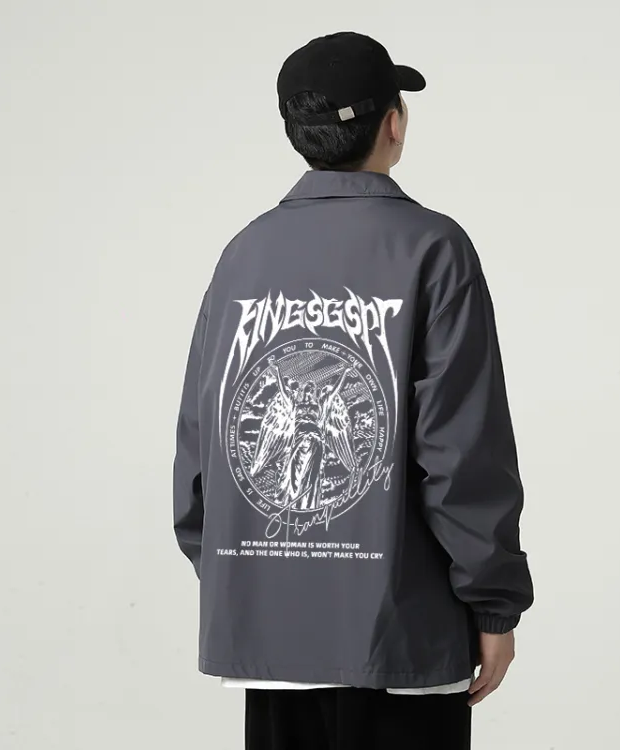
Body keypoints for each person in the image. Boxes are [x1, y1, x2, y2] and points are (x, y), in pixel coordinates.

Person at [173, 31, 534, 750]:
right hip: (401, 636)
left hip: (270, 635)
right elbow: (461, 448)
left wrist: (239, 571)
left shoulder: (243, 254)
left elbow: (202, 438)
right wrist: (493, 604)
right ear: (393, 124)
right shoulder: (432, 248)